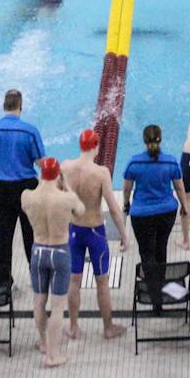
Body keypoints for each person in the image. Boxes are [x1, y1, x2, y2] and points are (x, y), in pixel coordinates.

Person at [61, 128, 130, 342]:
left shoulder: (65, 167)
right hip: (95, 233)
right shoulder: (101, 173)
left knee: (74, 281)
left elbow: (56, 197)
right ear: (96, 147)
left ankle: (73, 327)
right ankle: (108, 328)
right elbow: (114, 208)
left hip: (73, 231)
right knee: (102, 282)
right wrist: (124, 235)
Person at [0, 88, 45, 287]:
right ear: (21, 107)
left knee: (3, 238)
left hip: (1, 188)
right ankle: (38, 279)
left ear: (3, 106)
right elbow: (41, 163)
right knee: (32, 237)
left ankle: (2, 283)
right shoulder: (29, 131)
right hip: (27, 189)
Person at [23, 158, 84, 367]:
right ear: (58, 174)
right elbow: (80, 210)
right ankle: (52, 355)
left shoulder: (27, 197)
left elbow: (35, 198)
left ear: (41, 174)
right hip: (59, 251)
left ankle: (42, 342)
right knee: (58, 307)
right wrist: (66, 185)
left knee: (39, 300)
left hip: (38, 251)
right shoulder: (65, 199)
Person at [122, 125, 189, 300]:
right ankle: (161, 286)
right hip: (167, 212)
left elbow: (127, 189)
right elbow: (180, 188)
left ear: (144, 141)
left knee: (146, 252)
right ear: (161, 139)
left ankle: (153, 293)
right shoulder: (170, 162)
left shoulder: (134, 163)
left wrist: (126, 204)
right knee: (161, 248)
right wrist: (184, 206)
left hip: (141, 215)